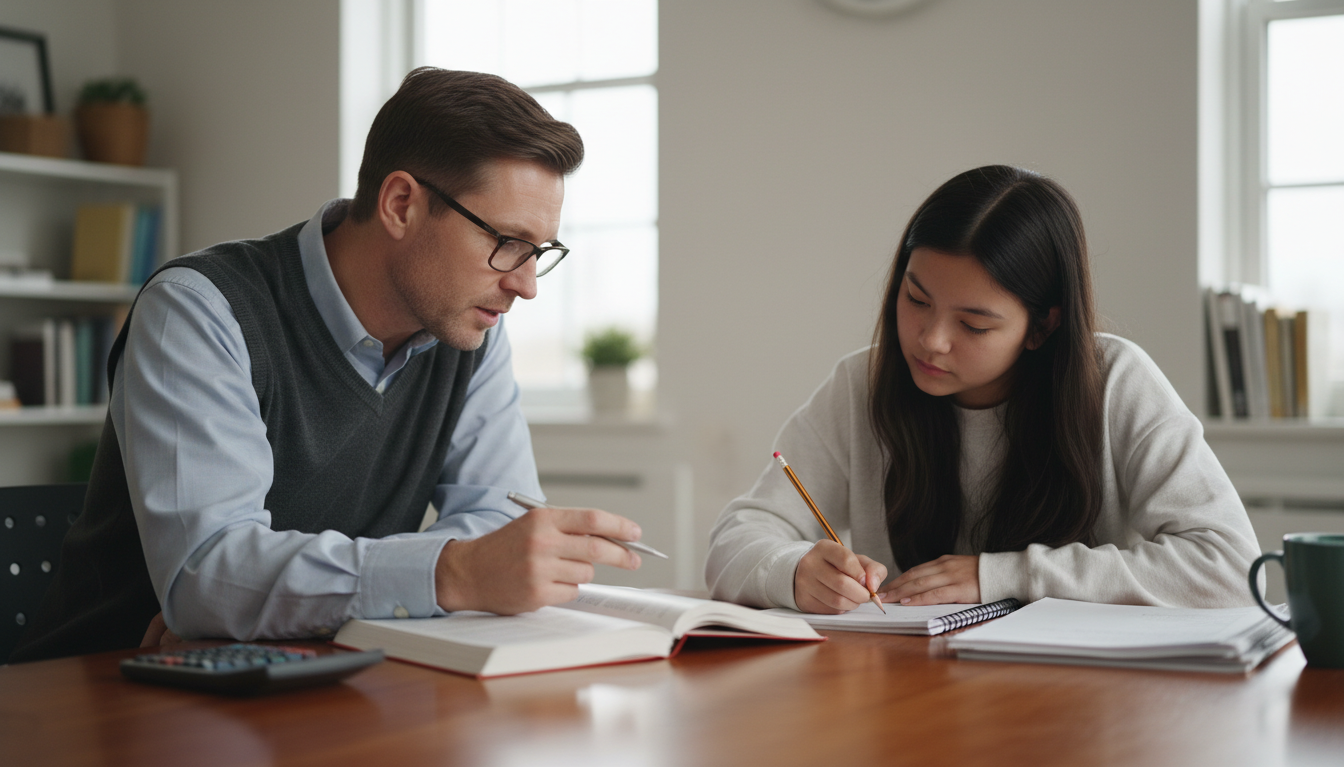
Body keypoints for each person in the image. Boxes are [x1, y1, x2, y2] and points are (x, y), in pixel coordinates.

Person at [11, 68, 647, 663]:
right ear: (401, 204)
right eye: (507, 243)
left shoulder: (469, 329)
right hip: (105, 687)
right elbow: (210, 573)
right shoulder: (198, 312)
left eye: (540, 252)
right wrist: (448, 572)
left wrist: (267, 609)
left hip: (312, 673)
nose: (526, 286)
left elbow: (496, 522)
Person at [705, 165, 1259, 615]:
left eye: (973, 325)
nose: (930, 340)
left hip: (1081, 696)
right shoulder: (862, 384)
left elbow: (1230, 567)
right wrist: (793, 571)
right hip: (910, 687)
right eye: (916, 299)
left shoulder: (1115, 381)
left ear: (1042, 326)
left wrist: (1000, 576)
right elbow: (738, 535)